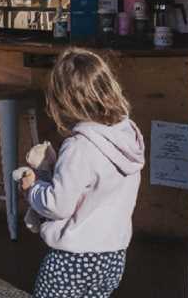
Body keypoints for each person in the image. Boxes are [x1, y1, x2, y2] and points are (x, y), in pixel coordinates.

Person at [19, 47, 145, 298]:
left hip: (73, 257)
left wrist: (32, 190)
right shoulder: (127, 135)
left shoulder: (79, 146)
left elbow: (59, 205)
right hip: (113, 256)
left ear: (65, 100)